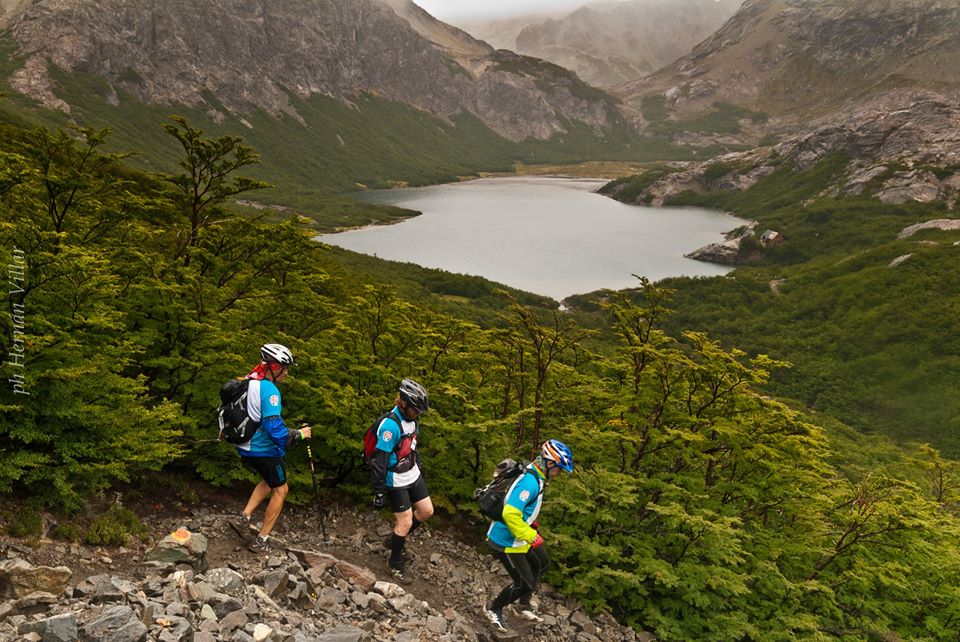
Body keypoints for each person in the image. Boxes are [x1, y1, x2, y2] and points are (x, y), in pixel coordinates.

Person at [484, 439, 574, 632]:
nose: (558, 474)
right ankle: (494, 609)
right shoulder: (530, 482)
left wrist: (530, 522)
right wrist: (530, 535)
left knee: (542, 562)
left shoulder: (537, 476)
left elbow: (521, 507)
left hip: (520, 534)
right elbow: (510, 512)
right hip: (506, 539)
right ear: (549, 463)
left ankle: (523, 605)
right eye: (558, 469)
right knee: (523, 582)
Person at [232, 343, 311, 553]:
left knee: (269, 481)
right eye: (284, 368)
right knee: (281, 489)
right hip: (262, 449)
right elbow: (273, 427)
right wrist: (298, 434)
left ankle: (243, 517)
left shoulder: (249, 381)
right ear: (274, 367)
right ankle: (262, 539)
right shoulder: (270, 391)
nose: (286, 373)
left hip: (245, 445)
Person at [369, 378, 434, 583]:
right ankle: (394, 563)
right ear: (403, 404)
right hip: (394, 478)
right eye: (415, 410)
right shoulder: (391, 426)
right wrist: (379, 491)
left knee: (426, 511)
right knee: (405, 521)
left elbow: (412, 444)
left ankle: (395, 539)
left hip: (411, 472)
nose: (417, 414)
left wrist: (418, 464)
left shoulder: (412, 419)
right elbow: (380, 461)